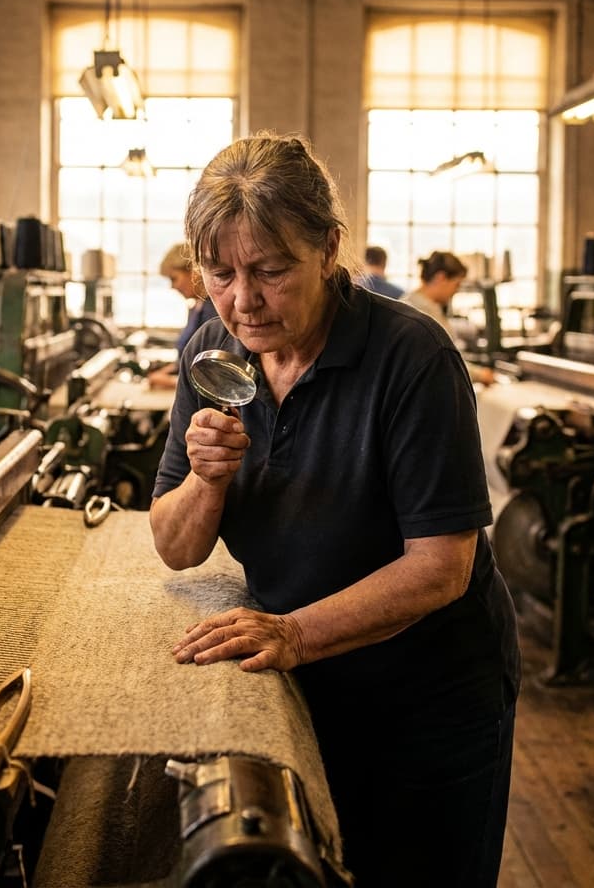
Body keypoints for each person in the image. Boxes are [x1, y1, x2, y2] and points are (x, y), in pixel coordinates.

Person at [149, 133, 520, 887]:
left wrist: (291, 631)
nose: (243, 301)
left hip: (428, 693)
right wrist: (208, 481)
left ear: (329, 248)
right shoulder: (215, 351)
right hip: (309, 679)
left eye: (270, 272)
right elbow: (175, 543)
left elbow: (441, 569)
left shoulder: (412, 359)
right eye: (220, 274)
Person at [403, 250, 497, 386]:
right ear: (441, 278)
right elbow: (442, 361)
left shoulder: (422, 305)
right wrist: (479, 375)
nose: (456, 291)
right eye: (456, 284)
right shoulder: (421, 312)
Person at [147, 243, 218, 389]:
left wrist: (171, 382)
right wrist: (169, 369)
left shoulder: (214, 312)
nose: (172, 287)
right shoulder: (196, 308)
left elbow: (214, 375)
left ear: (194, 271)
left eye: (174, 278)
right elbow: (188, 358)